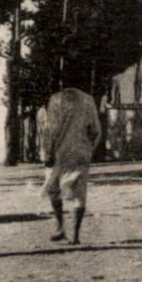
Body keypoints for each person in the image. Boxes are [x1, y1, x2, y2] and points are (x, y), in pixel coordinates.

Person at [40, 79, 102, 245]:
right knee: (79, 195)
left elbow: (50, 130)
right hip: (81, 153)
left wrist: (47, 153)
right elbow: (96, 131)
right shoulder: (88, 100)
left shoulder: (56, 99)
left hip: (59, 153)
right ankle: (75, 236)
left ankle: (60, 227)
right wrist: (90, 150)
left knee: (53, 189)